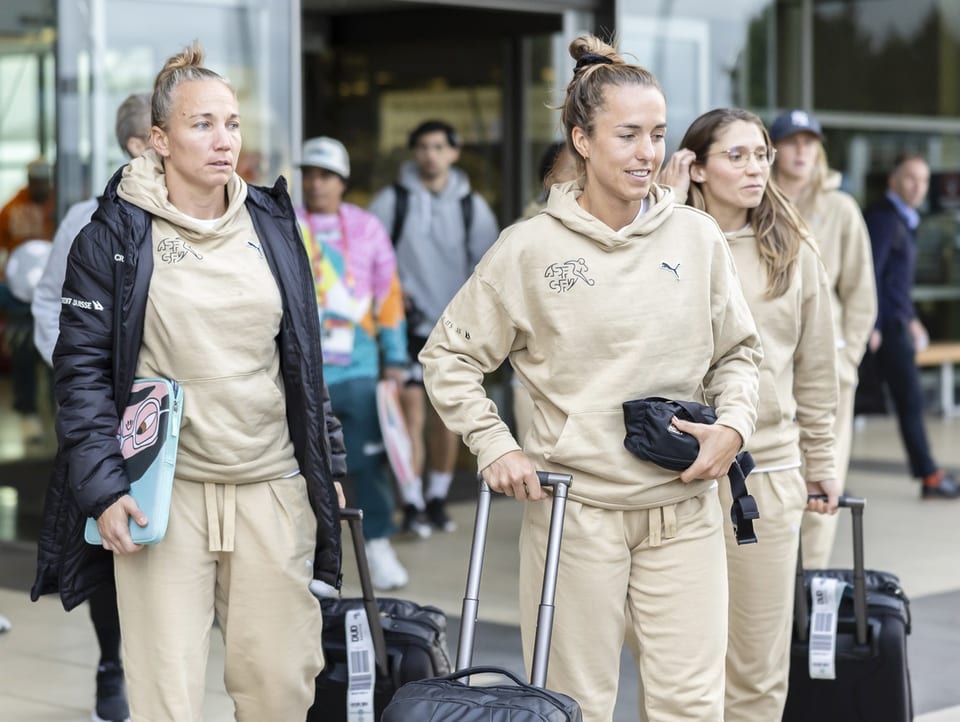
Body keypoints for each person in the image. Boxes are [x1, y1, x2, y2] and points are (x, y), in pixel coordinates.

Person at [419, 35, 764, 722]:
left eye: (659, 135)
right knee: (578, 706)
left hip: (686, 508)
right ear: (581, 138)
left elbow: (739, 354)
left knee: (694, 705)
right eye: (628, 134)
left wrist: (733, 426)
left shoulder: (695, 238)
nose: (647, 153)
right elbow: (448, 357)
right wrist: (495, 445)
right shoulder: (529, 248)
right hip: (576, 514)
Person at [30, 42, 347, 722]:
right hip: (162, 500)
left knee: (279, 689)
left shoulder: (272, 221)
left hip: (271, 488)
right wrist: (104, 489)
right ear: (159, 140)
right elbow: (80, 373)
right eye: (202, 124)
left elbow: (302, 359)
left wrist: (332, 463)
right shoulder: (113, 233)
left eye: (231, 123)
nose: (223, 139)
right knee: (165, 696)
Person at [660, 107, 840, 722]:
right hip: (671, 481)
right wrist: (666, 209)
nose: (756, 166)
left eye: (760, 153)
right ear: (697, 168)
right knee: (678, 669)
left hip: (766, 478)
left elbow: (817, 372)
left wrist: (821, 463)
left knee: (757, 669)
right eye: (735, 155)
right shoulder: (660, 240)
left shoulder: (793, 251)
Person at [29, 91, 151, 722]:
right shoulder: (88, 218)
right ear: (143, 144)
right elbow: (50, 304)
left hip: (181, 421)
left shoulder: (218, 216)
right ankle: (113, 661)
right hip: (107, 418)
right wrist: (83, 374)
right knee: (110, 545)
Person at [369, 118, 499, 536]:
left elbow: (490, 268)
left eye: (439, 147)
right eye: (423, 147)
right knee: (410, 416)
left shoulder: (471, 205)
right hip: (405, 326)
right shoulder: (393, 201)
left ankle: (438, 496)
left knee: (446, 418)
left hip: (452, 327)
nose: (431, 155)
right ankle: (411, 500)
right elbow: (368, 258)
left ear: (454, 152)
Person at [295, 135, 410, 591]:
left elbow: (389, 295)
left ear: (342, 181)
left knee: (366, 462)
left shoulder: (366, 228)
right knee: (304, 466)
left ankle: (378, 544)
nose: (315, 183)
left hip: (358, 368)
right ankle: (316, 556)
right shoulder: (286, 224)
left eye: (325, 176)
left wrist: (396, 358)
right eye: (309, 175)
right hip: (303, 370)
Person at [768, 109, 878, 567]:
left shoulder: (841, 208)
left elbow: (861, 294)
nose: (801, 151)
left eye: (809, 142)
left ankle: (809, 594)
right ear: (773, 149)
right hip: (771, 368)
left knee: (821, 482)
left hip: (828, 371)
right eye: (792, 141)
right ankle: (768, 597)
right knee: (770, 482)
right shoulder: (756, 201)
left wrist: (847, 358)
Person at [864, 153, 959, 498]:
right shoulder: (884, 219)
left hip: (897, 324)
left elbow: (895, 283)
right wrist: (872, 324)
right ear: (893, 182)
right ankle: (930, 476)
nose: (919, 187)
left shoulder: (905, 220)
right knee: (910, 401)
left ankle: (929, 473)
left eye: (924, 180)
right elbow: (869, 273)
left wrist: (913, 319)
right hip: (885, 330)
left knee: (907, 401)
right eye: (910, 179)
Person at [511, 140, 579, 442]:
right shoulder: (523, 235)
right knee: (538, 483)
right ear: (549, 180)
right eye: (574, 170)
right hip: (535, 380)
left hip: (594, 391)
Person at [0, 157, 56, 443]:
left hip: (56, 292)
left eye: (44, 181)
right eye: (36, 181)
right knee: (22, 353)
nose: (41, 186)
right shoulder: (11, 208)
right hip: (20, 294)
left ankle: (58, 413)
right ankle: (28, 414)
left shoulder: (60, 204)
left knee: (56, 352)